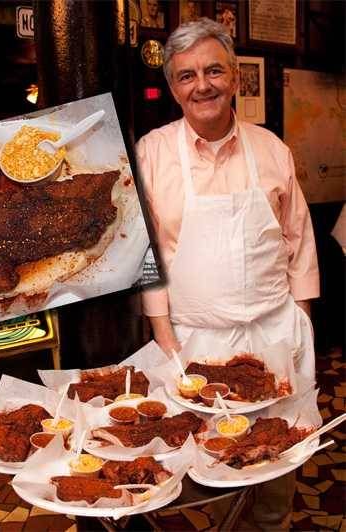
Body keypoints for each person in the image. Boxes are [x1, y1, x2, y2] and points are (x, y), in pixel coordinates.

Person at [136, 18, 319, 530]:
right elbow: (146, 255)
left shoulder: (271, 149)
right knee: (210, 466)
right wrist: (165, 337)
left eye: (214, 70)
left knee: (281, 459)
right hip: (194, 342)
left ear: (235, 77)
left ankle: (273, 521)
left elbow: (298, 239)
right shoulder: (151, 154)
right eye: (188, 76)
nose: (203, 85)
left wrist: (299, 323)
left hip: (274, 333)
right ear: (173, 88)